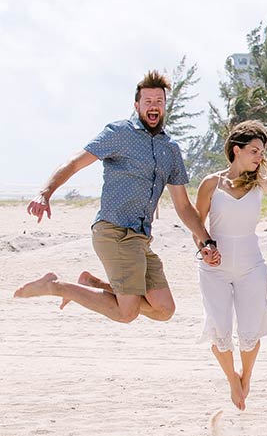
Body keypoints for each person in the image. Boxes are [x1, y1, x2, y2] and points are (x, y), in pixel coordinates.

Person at [15, 71, 220, 320]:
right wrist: (45, 193)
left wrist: (207, 241)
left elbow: (183, 206)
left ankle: (90, 283)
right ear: (137, 105)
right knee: (127, 312)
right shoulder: (119, 133)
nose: (154, 106)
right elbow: (75, 162)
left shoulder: (170, 150)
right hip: (114, 232)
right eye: (148, 101)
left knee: (164, 309)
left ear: (165, 106)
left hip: (140, 239)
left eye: (159, 101)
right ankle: (55, 285)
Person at [195, 120, 267, 411]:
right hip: (214, 268)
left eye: (262, 151)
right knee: (220, 332)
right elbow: (197, 225)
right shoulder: (212, 183)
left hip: (252, 266)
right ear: (237, 150)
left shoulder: (258, 183)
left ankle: (246, 377)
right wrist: (205, 250)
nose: (260, 156)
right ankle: (233, 379)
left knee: (249, 333)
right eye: (255, 151)